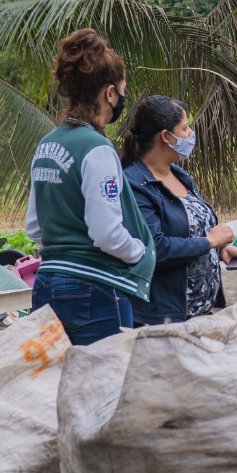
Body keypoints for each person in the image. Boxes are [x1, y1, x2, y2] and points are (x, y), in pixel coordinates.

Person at [26, 29, 155, 345]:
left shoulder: (46, 144)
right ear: (110, 93)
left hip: (46, 285)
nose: (122, 98)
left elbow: (35, 227)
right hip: (93, 290)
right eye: (122, 90)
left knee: (59, 374)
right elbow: (106, 234)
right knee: (107, 375)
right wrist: (139, 252)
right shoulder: (97, 149)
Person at [121, 95, 237, 326]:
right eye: (185, 128)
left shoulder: (180, 175)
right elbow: (155, 248)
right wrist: (209, 242)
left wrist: (220, 249)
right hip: (163, 318)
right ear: (166, 136)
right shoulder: (135, 185)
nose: (191, 133)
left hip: (200, 314)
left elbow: (190, 230)